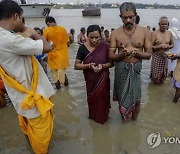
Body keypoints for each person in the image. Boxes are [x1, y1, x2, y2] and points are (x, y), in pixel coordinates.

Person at [0, 0, 55, 154]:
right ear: (16, 16)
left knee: (29, 129)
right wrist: (30, 31)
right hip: (33, 100)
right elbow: (47, 47)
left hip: (20, 97)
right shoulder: (9, 39)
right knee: (41, 138)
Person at [109, 2, 152, 121]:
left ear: (135, 15)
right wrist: (122, 54)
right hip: (121, 69)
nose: (128, 20)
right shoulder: (115, 33)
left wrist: (136, 53)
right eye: (125, 17)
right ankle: (125, 121)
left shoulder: (144, 32)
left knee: (137, 99)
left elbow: (149, 54)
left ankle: (134, 121)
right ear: (120, 17)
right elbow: (111, 56)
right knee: (122, 98)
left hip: (136, 69)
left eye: (131, 17)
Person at [74, 24, 113, 124]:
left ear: (100, 36)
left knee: (103, 99)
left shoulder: (105, 46)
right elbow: (76, 65)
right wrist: (89, 66)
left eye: (97, 37)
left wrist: (102, 66)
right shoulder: (82, 48)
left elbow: (111, 63)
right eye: (91, 37)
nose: (94, 40)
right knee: (92, 98)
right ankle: (93, 117)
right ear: (87, 36)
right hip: (90, 80)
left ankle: (103, 118)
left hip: (103, 78)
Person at [43, 16, 70, 89]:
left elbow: (44, 43)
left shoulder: (47, 30)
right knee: (63, 75)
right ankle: (67, 91)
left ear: (48, 23)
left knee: (55, 77)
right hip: (63, 57)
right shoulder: (63, 29)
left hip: (53, 57)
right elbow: (68, 43)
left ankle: (59, 92)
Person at [150, 16, 174, 84]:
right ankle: (155, 90)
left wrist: (168, 46)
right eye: (162, 24)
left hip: (165, 56)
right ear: (159, 24)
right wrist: (160, 46)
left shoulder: (169, 33)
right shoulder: (154, 33)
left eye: (166, 24)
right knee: (155, 75)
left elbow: (172, 45)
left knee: (163, 74)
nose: (164, 26)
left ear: (168, 24)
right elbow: (150, 46)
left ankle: (161, 86)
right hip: (156, 56)